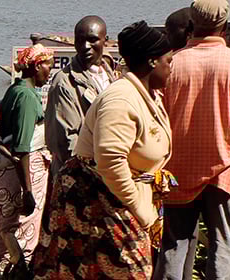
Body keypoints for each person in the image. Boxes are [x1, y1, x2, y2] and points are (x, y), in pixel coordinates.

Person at [30, 21, 175, 280]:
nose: (171, 68)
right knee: (125, 272)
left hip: (119, 197)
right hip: (97, 202)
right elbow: (110, 162)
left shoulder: (147, 95)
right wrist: (139, 210)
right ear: (153, 62)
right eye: (169, 61)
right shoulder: (120, 100)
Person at [156, 1, 230, 279]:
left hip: (177, 172)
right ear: (225, 26)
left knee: (174, 245)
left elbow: (158, 125)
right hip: (225, 172)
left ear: (192, 23)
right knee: (223, 243)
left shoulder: (172, 64)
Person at [0, 43, 54, 273]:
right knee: (21, 232)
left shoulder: (16, 89)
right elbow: (23, 148)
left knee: (2, 228)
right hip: (23, 174)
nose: (49, 71)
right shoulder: (26, 97)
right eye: (47, 66)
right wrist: (29, 192)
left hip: (12, 175)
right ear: (36, 66)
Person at [46, 15, 119, 176]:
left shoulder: (110, 75)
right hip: (81, 176)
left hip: (108, 170)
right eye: (80, 40)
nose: (86, 46)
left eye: (92, 40)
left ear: (105, 41)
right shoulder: (64, 82)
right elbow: (64, 141)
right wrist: (89, 171)